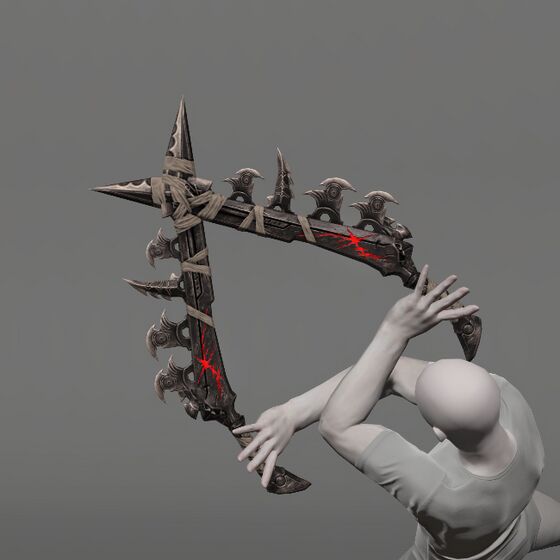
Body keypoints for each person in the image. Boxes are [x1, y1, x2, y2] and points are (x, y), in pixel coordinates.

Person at [233, 265, 560, 559]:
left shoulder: (442, 494)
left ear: (439, 432)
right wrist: (291, 413)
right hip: (524, 521)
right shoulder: (508, 397)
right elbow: (391, 372)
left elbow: (337, 426)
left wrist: (393, 331)